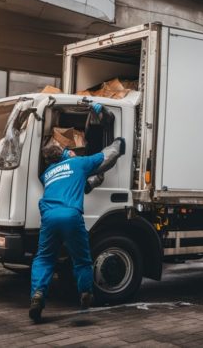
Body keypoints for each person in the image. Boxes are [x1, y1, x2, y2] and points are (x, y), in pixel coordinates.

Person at [29, 103, 125, 323]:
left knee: (43, 259)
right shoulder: (78, 163)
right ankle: (85, 293)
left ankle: (37, 295)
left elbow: (73, 186)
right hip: (71, 216)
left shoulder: (47, 174)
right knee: (81, 259)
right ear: (65, 152)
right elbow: (106, 156)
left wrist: (91, 182)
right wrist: (120, 142)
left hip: (49, 217)